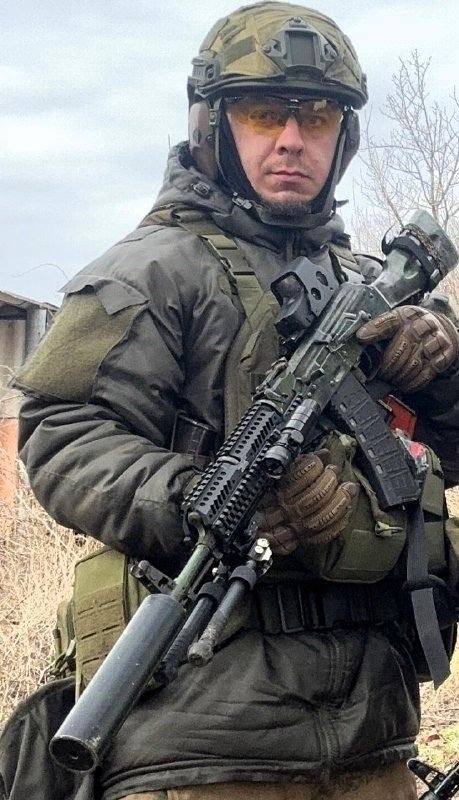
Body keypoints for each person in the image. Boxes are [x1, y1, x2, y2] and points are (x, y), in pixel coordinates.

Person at [2, 3, 459, 799]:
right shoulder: (150, 271)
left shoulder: (366, 285)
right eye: (262, 114)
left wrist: (439, 363)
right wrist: (204, 502)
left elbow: (439, 453)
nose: (291, 140)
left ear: (343, 137)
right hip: (200, 741)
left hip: (373, 737)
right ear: (214, 124)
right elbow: (61, 435)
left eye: (315, 117)